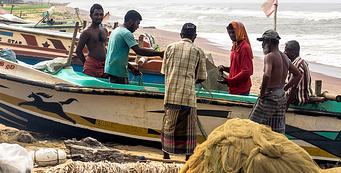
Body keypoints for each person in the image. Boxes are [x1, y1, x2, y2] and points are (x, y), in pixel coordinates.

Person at [160, 23, 208, 160]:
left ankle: (166, 155)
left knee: (168, 125)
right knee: (189, 129)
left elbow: (164, 71)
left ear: (181, 35)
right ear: (195, 36)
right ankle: (188, 158)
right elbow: (201, 77)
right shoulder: (198, 51)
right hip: (187, 97)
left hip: (170, 95)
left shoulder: (170, 48)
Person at [248, 29, 301, 134]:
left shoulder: (270, 56)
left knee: (251, 126)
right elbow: (297, 74)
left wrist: (262, 93)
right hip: (281, 96)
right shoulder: (285, 57)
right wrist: (284, 88)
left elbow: (267, 74)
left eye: (263, 42)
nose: (262, 45)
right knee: (277, 131)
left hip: (270, 96)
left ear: (269, 42)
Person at [104, 10, 164, 84]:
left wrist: (131, 67)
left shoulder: (116, 30)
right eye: (137, 23)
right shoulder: (126, 33)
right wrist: (159, 53)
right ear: (131, 21)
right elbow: (138, 51)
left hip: (111, 70)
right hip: (118, 72)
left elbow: (117, 56)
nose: (138, 27)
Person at [217, 21, 253, 95]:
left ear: (239, 32)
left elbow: (246, 72)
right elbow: (236, 69)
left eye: (233, 32)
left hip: (241, 89)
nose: (231, 35)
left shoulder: (245, 48)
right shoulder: (235, 46)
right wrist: (225, 69)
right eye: (230, 33)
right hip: (233, 87)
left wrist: (229, 81)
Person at [75, 4, 109, 78]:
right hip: (91, 65)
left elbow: (103, 47)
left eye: (101, 14)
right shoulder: (87, 32)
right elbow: (78, 50)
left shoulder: (104, 31)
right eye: (96, 14)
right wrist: (86, 63)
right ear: (91, 16)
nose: (99, 17)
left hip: (103, 66)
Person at [284, 40, 313, 108]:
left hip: (298, 99)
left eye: (286, 51)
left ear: (293, 53)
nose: (284, 53)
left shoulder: (297, 66)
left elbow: (294, 88)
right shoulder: (301, 62)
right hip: (305, 94)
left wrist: (287, 105)